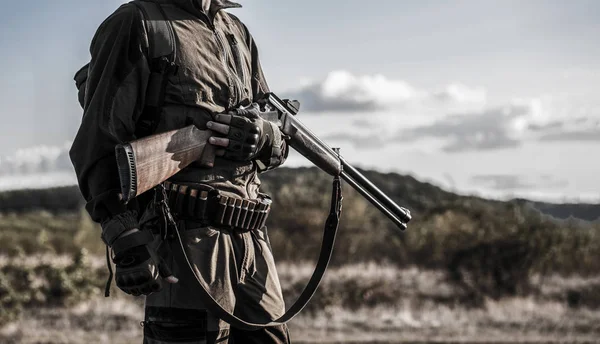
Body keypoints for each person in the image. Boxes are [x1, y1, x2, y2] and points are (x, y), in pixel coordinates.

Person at [69, 1, 291, 343]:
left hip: (252, 240)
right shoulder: (137, 23)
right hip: (185, 243)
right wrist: (127, 240)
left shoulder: (237, 32)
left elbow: (274, 129)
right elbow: (97, 145)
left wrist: (265, 138)